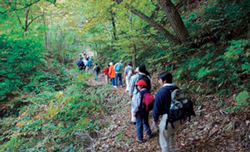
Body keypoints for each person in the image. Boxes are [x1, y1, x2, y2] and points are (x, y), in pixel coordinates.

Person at [153, 72, 179, 152]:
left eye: (160, 80)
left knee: (164, 140)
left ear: (164, 81)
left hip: (167, 118)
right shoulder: (177, 89)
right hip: (178, 117)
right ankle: (172, 150)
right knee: (171, 135)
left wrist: (155, 119)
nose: (159, 81)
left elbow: (157, 107)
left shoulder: (161, 92)